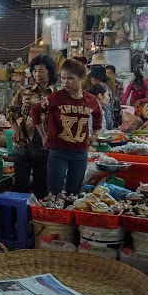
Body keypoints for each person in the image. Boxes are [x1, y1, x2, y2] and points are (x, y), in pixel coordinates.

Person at [31, 59, 102, 195]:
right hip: (58, 152)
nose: (65, 82)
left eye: (70, 78)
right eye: (63, 78)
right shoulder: (56, 97)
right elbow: (35, 111)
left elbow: (98, 115)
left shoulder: (91, 100)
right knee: (54, 192)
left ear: (81, 78)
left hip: (80, 153)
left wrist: (95, 134)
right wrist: (44, 137)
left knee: (73, 192)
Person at [5, 54, 57, 199]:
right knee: (20, 184)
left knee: (41, 185)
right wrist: (15, 127)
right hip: (23, 144)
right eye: (34, 71)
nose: (37, 74)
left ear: (50, 71)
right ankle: (18, 217)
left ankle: (36, 218)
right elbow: (10, 110)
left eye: (41, 70)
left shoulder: (56, 95)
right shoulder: (25, 90)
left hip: (44, 146)